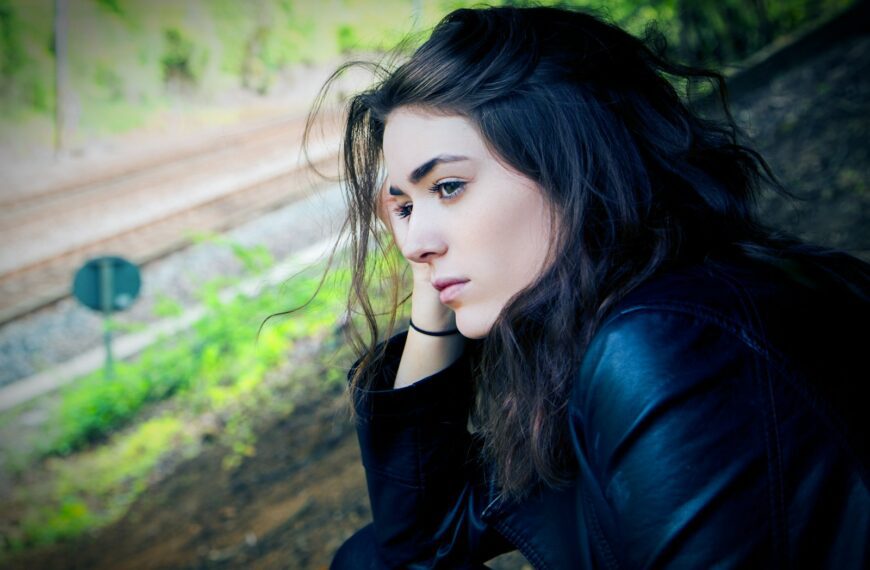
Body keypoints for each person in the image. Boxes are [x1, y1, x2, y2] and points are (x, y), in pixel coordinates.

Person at [299, 5, 870, 569]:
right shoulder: (592, 326)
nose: (413, 244)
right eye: (403, 206)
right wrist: (432, 298)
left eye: (448, 187)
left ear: (570, 164)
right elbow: (422, 540)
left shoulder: (667, 344)